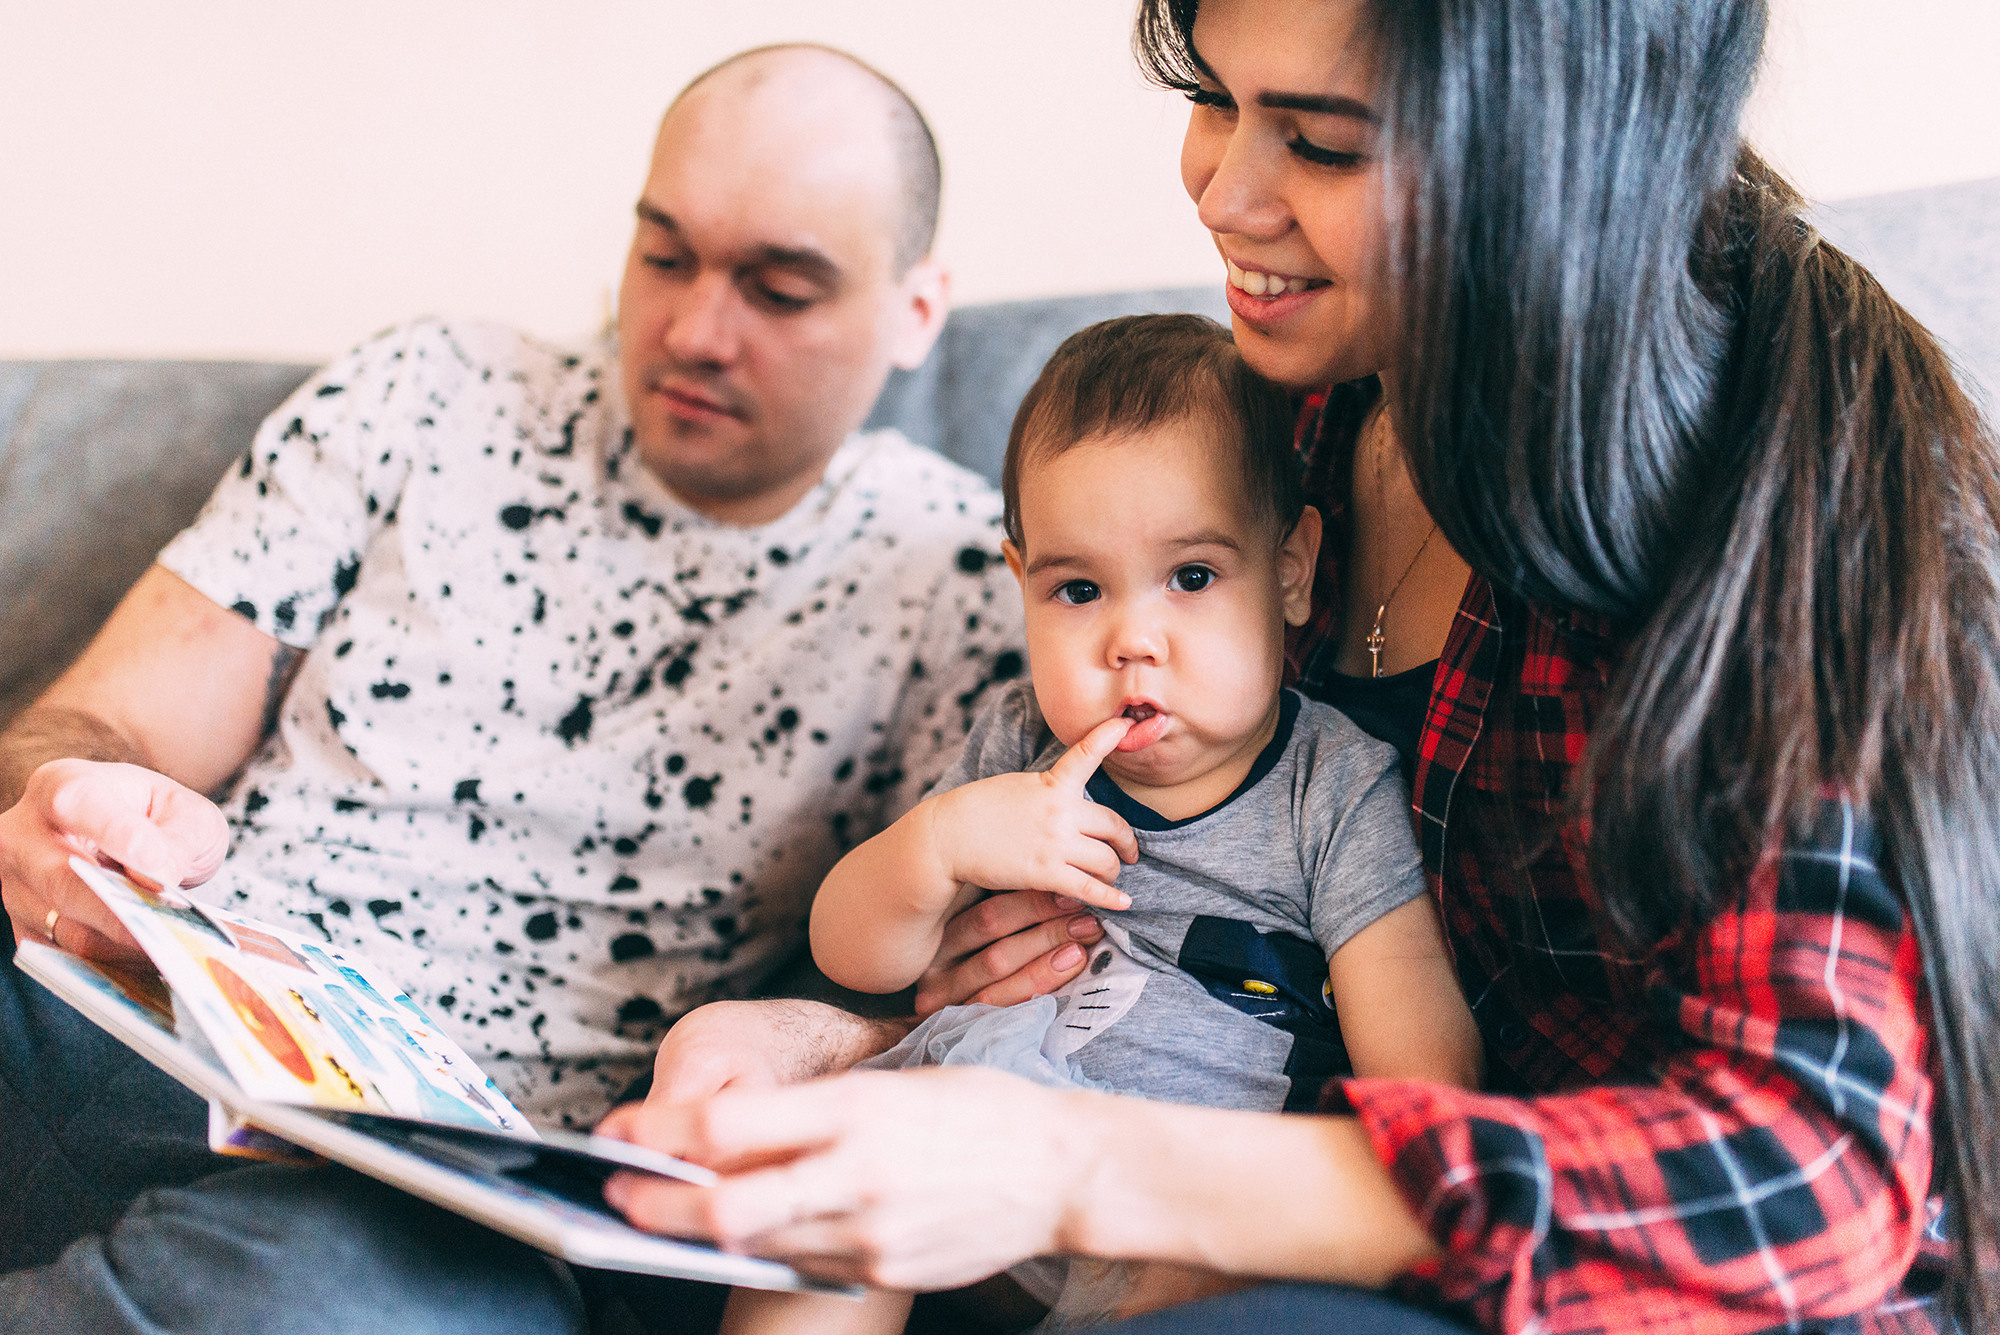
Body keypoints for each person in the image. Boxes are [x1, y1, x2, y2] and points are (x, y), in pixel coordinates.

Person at [600, 2, 2000, 1332]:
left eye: (1323, 140)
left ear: (1548, 154)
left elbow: (1811, 1181)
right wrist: (842, 1048)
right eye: (1212, 94)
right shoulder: (1288, 423)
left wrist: (1079, 1162)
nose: (1222, 191)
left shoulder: (1788, 523)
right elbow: (1071, 962)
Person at [0, 44, 1035, 1335]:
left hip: (432, 1189)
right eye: (665, 255)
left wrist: (808, 1044)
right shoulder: (430, 390)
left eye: (779, 289)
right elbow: (105, 718)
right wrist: (71, 791)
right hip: (142, 1021)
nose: (695, 331)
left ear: (917, 309)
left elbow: (979, 1019)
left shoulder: (968, 581)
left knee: (348, 1301)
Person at [724, 315, 1478, 1334]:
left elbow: (1423, 1080)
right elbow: (855, 955)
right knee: (829, 1188)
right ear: (1018, 584)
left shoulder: (1330, 787)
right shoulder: (1019, 745)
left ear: (1291, 568)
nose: (1132, 640)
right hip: (953, 1160)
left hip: (1177, 1205)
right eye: (1077, 590)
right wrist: (939, 845)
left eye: (1192, 578)